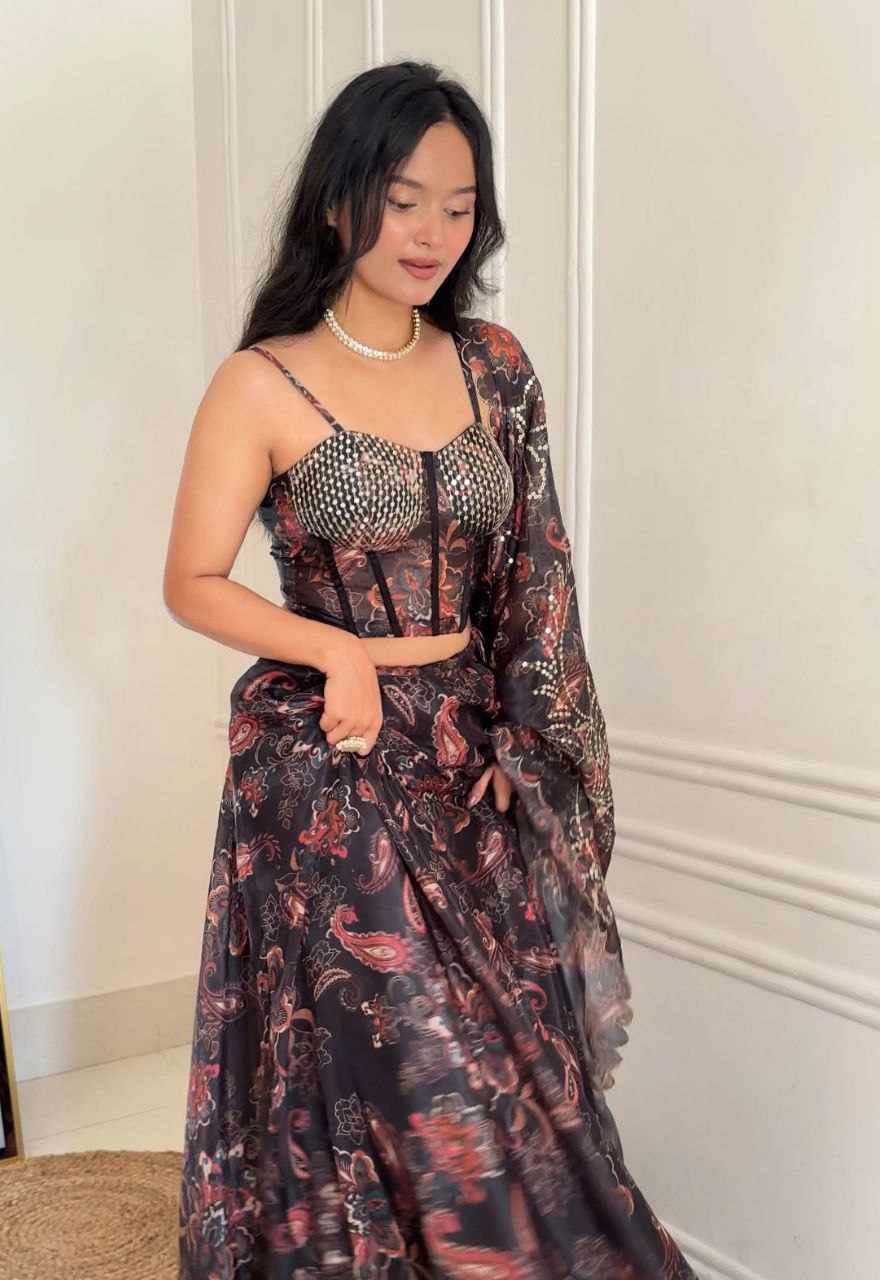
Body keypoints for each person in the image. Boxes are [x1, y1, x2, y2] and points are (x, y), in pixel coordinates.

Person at [165, 58, 698, 1280]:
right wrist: (333, 648)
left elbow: (539, 575)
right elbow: (191, 579)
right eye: (404, 200)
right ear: (339, 199)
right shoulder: (262, 380)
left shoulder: (494, 364)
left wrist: (529, 739)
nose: (431, 233)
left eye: (458, 207)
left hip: (475, 756)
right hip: (332, 761)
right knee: (414, 1064)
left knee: (520, 1074)